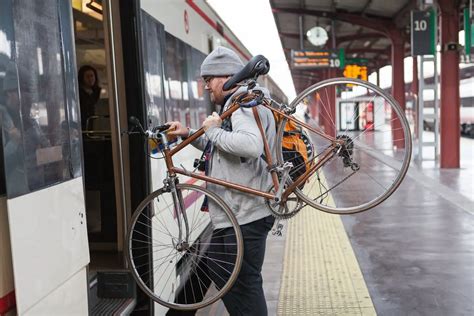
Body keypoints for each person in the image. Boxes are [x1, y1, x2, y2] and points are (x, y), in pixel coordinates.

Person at [166, 46, 276, 316]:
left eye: (208, 80)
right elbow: (224, 149)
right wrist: (190, 133)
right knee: (220, 267)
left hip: (245, 213)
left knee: (244, 285)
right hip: (238, 212)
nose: (206, 87)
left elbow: (249, 145)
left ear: (227, 78)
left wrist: (212, 129)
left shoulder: (242, 104)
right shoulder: (235, 104)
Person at [78, 65, 101, 130]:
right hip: (83, 125)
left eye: (92, 76)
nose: (90, 79)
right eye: (87, 76)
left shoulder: (98, 92)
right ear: (82, 78)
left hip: (97, 123)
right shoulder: (79, 93)